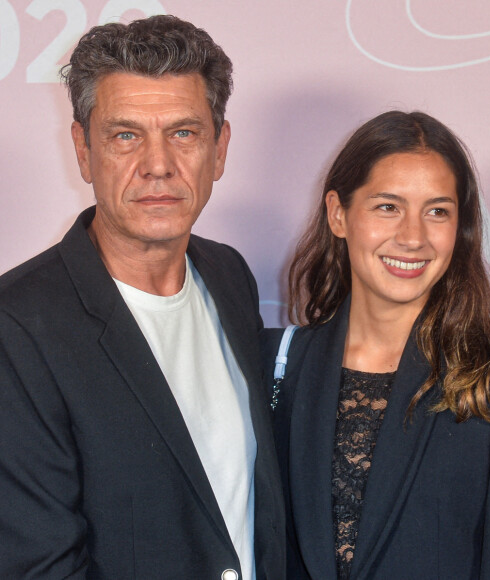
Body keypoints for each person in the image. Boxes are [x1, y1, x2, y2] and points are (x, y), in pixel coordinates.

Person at [0, 15, 284, 579]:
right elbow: (40, 566)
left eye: (183, 133)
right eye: (125, 135)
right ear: (83, 150)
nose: (158, 165)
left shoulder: (229, 275)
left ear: (219, 149)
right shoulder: (18, 324)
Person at [262, 111, 490, 579]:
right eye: (388, 207)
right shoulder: (273, 364)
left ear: (459, 228)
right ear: (338, 214)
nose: (413, 237)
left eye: (437, 211)